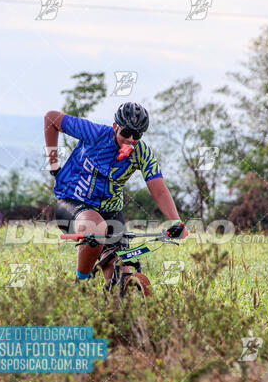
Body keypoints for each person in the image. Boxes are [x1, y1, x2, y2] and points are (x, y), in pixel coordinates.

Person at [44, 102, 186, 284]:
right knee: (95, 229)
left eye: (137, 135)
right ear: (115, 127)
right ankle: (81, 284)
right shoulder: (95, 133)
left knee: (119, 271)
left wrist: (175, 220)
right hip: (72, 202)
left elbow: (159, 190)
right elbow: (51, 118)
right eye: (126, 133)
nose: (130, 139)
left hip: (110, 212)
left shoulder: (142, 153)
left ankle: (121, 303)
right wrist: (53, 164)